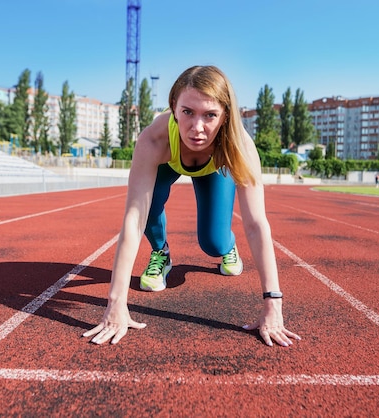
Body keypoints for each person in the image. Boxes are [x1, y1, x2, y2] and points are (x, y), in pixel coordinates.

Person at [82, 65, 301, 347]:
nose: (197, 128)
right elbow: (133, 219)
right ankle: (161, 253)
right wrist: (116, 304)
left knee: (213, 243)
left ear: (225, 116)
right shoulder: (154, 139)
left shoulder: (238, 144)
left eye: (210, 115)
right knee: (147, 211)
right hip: (168, 163)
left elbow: (256, 223)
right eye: (188, 112)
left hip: (214, 168)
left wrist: (273, 302)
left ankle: (227, 247)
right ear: (174, 107)